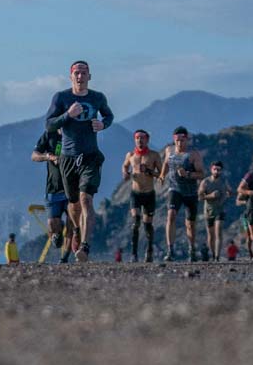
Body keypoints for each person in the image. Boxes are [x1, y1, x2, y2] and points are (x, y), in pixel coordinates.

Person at [45, 61, 113, 262]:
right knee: (73, 205)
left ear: (89, 76)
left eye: (84, 73)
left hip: (90, 156)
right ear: (71, 76)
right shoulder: (61, 97)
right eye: (76, 73)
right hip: (68, 158)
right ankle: (76, 229)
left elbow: (109, 115)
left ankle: (84, 246)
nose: (80, 77)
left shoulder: (97, 97)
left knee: (86, 199)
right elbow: (49, 125)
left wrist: (103, 124)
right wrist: (68, 115)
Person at [158, 126, 206, 261]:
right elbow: (166, 164)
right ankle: (170, 250)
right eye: (177, 140)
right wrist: (162, 175)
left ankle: (192, 249)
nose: (180, 143)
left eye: (182, 140)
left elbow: (202, 174)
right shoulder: (169, 150)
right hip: (174, 189)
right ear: (174, 140)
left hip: (190, 192)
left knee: (190, 224)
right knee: (171, 216)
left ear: (187, 139)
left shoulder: (193, 154)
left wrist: (188, 174)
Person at [31, 128, 74, 262]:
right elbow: (34, 156)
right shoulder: (49, 134)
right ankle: (58, 231)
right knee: (52, 225)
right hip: (53, 189)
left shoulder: (75, 133)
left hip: (72, 189)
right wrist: (48, 156)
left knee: (72, 224)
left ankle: (64, 258)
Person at [122, 129, 162, 262]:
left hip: (149, 194)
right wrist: (126, 174)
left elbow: (161, 175)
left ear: (147, 140)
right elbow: (124, 166)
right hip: (136, 193)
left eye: (142, 138)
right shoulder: (130, 155)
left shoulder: (154, 155)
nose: (140, 140)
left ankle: (149, 250)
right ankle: (134, 254)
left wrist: (150, 171)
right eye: (137, 138)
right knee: (136, 221)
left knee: (147, 225)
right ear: (135, 139)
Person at [199, 160, 232, 263]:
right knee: (211, 234)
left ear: (221, 171)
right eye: (215, 169)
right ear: (211, 169)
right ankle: (213, 254)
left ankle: (217, 257)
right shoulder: (205, 182)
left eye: (218, 170)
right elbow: (200, 197)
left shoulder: (224, 181)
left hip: (220, 209)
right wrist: (211, 196)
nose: (216, 171)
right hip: (208, 210)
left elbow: (230, 191)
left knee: (218, 231)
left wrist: (227, 194)